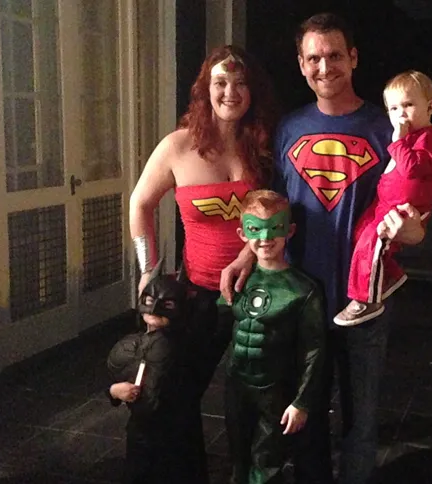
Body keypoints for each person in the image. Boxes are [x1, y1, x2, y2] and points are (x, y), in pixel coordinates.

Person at [221, 13, 425, 484]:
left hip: (364, 302)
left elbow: (412, 205)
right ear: (301, 64)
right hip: (297, 299)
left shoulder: (386, 128)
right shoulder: (288, 128)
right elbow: (270, 207)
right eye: (313, 57)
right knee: (301, 413)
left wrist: (413, 233)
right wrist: (245, 255)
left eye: (335, 55)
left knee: (361, 420)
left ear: (353, 58)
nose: (324, 65)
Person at [128, 45, 278, 483]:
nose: (231, 92)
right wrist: (148, 270)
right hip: (199, 294)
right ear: (204, 89)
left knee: (255, 396)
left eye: (240, 82)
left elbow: (278, 210)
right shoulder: (178, 146)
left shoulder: (264, 144)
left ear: (253, 90)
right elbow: (140, 204)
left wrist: (249, 252)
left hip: (260, 292)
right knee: (178, 393)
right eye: (220, 82)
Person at [217, 189, 326, 484]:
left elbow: (314, 350)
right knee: (237, 458)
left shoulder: (303, 290)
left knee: (268, 461)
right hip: (237, 382)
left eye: (274, 228)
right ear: (242, 233)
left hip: (276, 388)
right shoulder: (238, 279)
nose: (265, 237)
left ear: (289, 231)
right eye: (255, 228)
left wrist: (302, 402)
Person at [333, 70, 432, 326]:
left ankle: (367, 299)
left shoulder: (429, 138)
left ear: (430, 107)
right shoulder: (410, 138)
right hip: (384, 203)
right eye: (393, 108)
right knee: (360, 234)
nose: (401, 114)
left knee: (375, 241)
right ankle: (390, 276)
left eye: (408, 105)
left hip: (404, 210)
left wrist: (397, 142)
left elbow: (412, 169)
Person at [106, 263, 187, 484]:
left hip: (171, 429)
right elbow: (115, 379)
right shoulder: (133, 344)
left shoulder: (181, 347)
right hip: (141, 427)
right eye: (150, 302)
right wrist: (114, 391)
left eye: (166, 304)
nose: (154, 310)